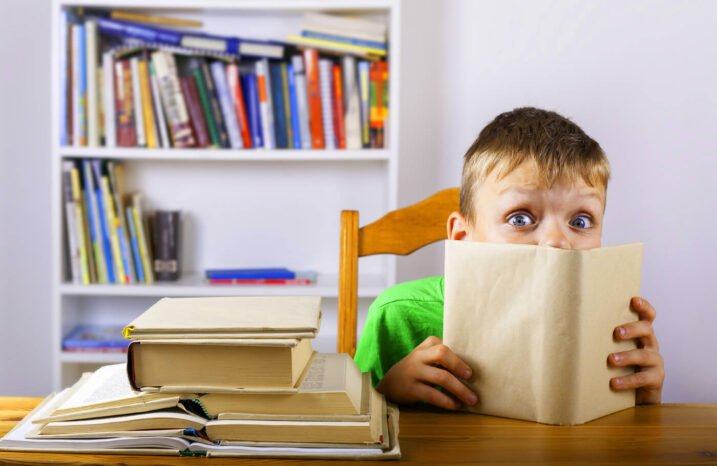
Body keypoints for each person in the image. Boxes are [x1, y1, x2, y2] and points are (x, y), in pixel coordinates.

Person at [354, 107, 665, 410]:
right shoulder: (396, 315)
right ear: (462, 237)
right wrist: (387, 392)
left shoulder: (613, 323)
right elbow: (351, 425)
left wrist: (644, 399)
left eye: (580, 221)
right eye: (520, 218)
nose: (556, 241)